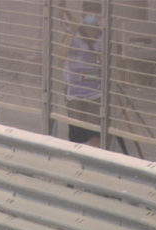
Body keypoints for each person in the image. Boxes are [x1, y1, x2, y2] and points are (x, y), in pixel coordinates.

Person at [65, 14, 102, 147]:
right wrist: (72, 32)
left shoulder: (103, 38)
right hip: (75, 95)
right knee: (77, 138)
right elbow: (61, 54)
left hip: (95, 95)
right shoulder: (74, 36)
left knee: (95, 135)